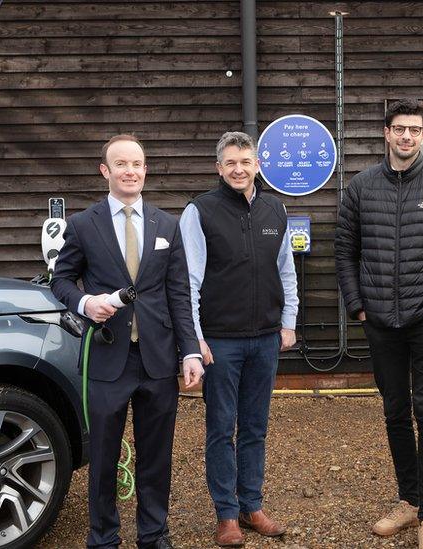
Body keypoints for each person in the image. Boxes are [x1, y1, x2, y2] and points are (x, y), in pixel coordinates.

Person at [52, 134, 203, 549]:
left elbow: (179, 294)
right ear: (106, 171)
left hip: (157, 361)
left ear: (145, 170)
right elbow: (60, 280)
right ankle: (103, 538)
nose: (130, 171)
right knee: (102, 458)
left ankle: (154, 536)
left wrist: (189, 350)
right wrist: (85, 302)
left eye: (136, 164)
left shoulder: (166, 224)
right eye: (121, 164)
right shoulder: (84, 224)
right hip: (106, 358)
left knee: (157, 457)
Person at [335, 98, 423, 549]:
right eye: (399, 129)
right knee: (395, 411)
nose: (406, 136)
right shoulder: (360, 187)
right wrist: (359, 307)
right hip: (379, 321)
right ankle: (408, 500)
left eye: (415, 129)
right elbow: (345, 252)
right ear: (386, 133)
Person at [179, 131, 299, 547]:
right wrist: (195, 340)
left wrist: (288, 322)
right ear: (219, 168)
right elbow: (189, 281)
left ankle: (251, 505)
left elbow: (286, 271)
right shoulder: (200, 211)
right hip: (221, 342)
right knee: (219, 428)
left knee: (255, 427)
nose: (238, 168)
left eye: (245, 161)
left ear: (257, 166)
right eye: (230, 162)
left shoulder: (275, 210)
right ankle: (226, 514)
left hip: (265, 338)